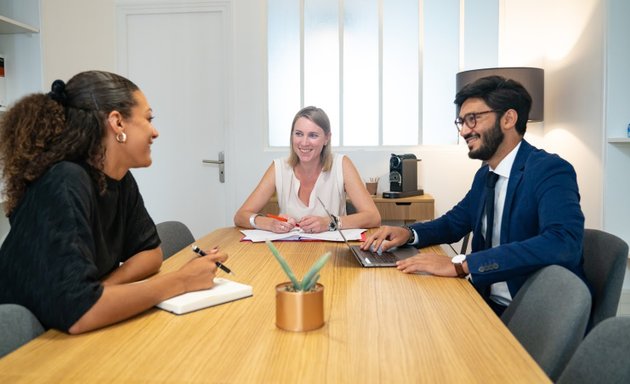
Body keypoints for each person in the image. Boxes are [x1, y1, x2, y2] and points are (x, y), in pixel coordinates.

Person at [0, 71, 227, 334]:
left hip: (61, 330)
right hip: (24, 346)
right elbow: (80, 313)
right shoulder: (66, 180)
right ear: (117, 123)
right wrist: (182, 280)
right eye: (148, 119)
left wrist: (103, 290)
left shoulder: (119, 178)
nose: (155, 132)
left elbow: (151, 254)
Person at [362, 75, 586, 315]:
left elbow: (563, 242)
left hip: (534, 313)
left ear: (508, 118)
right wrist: (407, 234)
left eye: (473, 119)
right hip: (483, 301)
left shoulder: (549, 170)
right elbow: (453, 224)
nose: (464, 132)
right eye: (461, 122)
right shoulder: (485, 175)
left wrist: (463, 264)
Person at [234, 106, 380, 233]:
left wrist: (330, 223)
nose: (304, 142)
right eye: (298, 134)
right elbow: (240, 216)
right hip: (289, 251)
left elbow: (373, 217)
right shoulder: (278, 168)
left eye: (313, 135)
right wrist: (268, 223)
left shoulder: (342, 164)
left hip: (331, 253)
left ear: (327, 138)